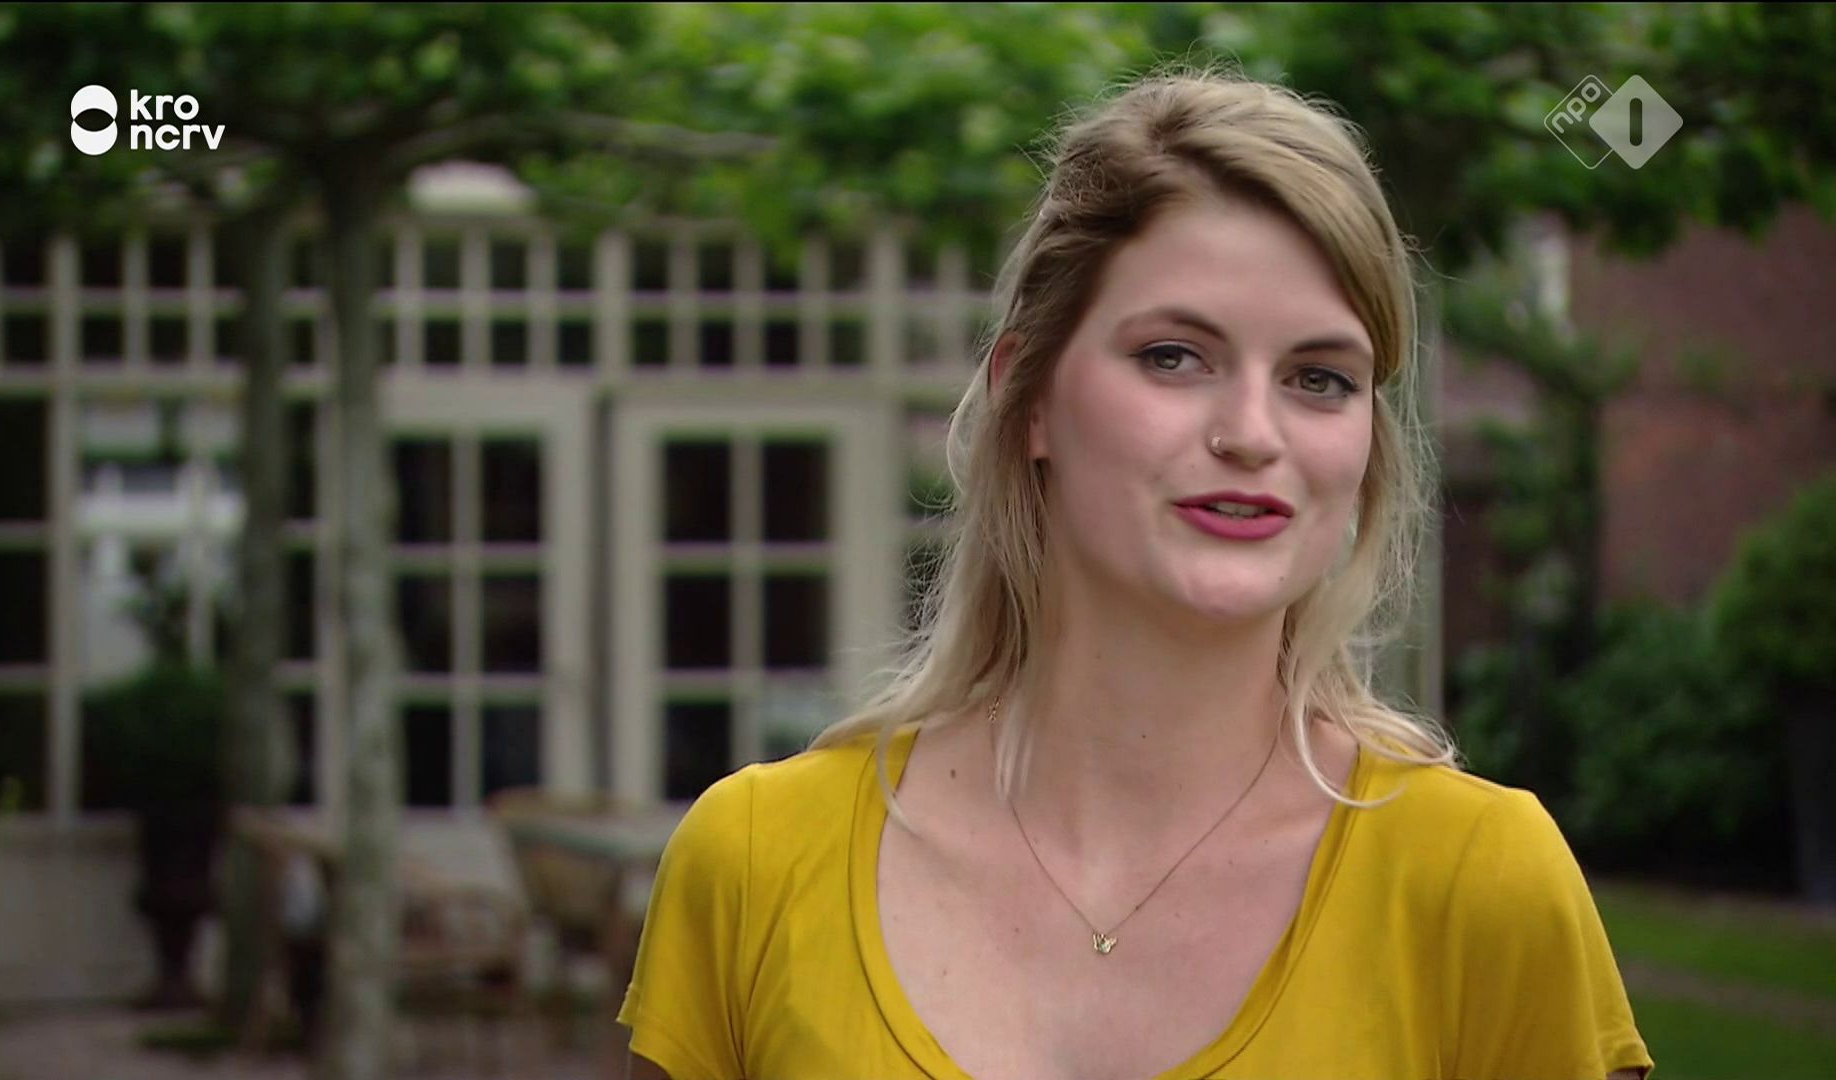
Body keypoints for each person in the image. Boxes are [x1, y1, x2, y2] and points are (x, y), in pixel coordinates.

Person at [617, 65, 1655, 1080]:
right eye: (1174, 356)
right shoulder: (756, 862)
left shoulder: (1480, 885)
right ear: (1028, 397)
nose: (1252, 433)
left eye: (1319, 378)